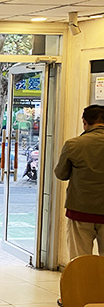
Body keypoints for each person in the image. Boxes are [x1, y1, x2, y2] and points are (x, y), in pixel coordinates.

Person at [54, 104, 104, 261]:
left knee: (80, 259)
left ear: (84, 122)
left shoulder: (74, 144)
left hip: (80, 209)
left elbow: (61, 174)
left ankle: (83, 278)